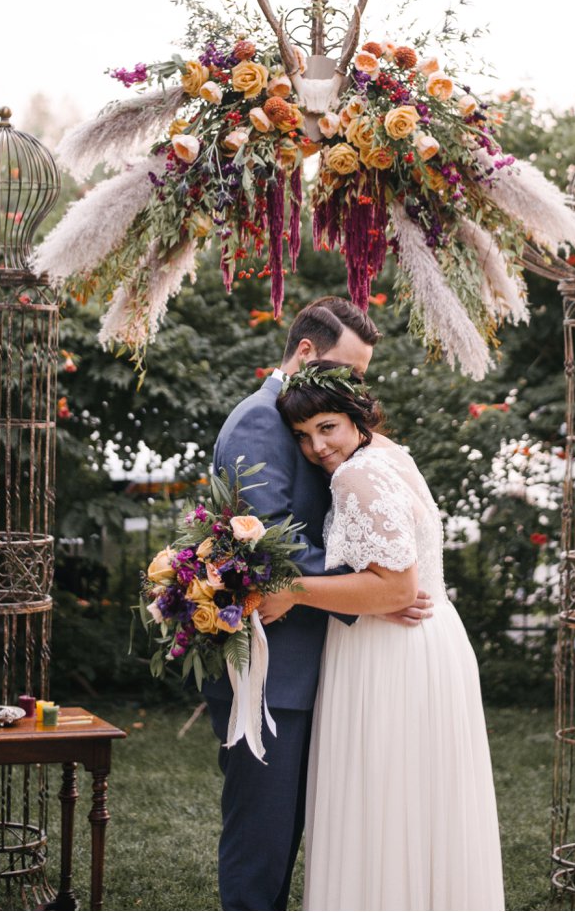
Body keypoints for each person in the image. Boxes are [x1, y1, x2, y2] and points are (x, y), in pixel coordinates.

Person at [203, 298, 433, 912]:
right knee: (262, 845)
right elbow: (267, 541)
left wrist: (379, 582)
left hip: (310, 666)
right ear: (305, 352)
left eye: (358, 379)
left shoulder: (308, 424)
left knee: (291, 838)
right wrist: (373, 590)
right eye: (346, 371)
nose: (351, 388)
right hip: (272, 674)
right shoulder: (259, 423)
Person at [260, 360, 506, 912]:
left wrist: (293, 588)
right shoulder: (389, 454)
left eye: (328, 427)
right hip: (429, 643)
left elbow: (396, 589)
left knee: (383, 802)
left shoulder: (355, 474)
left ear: (355, 417)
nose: (318, 446)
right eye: (303, 436)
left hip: (391, 652)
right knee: (419, 806)